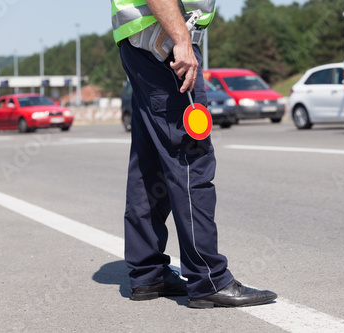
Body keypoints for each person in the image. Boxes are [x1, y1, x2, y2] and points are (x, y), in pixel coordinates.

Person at [111, 0, 277, 308]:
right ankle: (209, 278)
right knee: (190, 159)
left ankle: (148, 273)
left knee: (149, 165)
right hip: (165, 42)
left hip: (143, 41)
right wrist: (182, 41)